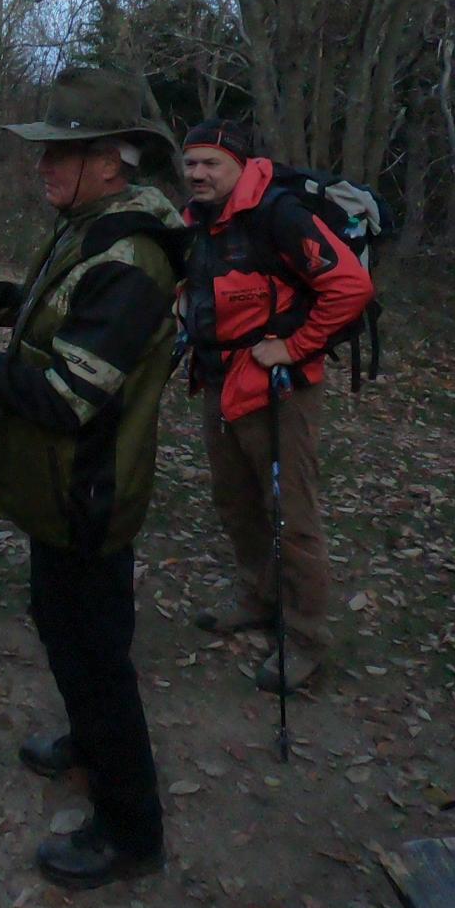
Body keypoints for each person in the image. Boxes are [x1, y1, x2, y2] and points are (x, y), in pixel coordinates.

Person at [0, 67, 187, 890]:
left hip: (88, 494)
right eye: (46, 150)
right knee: (63, 630)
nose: (43, 165)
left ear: (112, 161)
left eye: (62, 151)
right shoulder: (93, 226)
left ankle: (130, 830)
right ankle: (90, 745)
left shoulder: (133, 258)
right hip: (60, 492)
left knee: (97, 658)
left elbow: (64, 397)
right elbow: (64, 308)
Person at [177, 120, 374, 693]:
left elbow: (351, 287)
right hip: (218, 376)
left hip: (278, 385)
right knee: (236, 499)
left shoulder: (277, 214)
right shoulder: (196, 219)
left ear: (239, 165)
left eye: (210, 163)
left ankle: (305, 637)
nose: (197, 174)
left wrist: (293, 345)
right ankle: (257, 598)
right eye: (190, 163)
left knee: (291, 514)